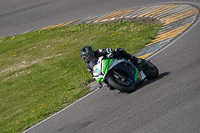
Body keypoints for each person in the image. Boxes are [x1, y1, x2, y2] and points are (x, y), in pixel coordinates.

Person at [80, 46, 145, 76]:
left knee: (118, 51)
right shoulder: (88, 66)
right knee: (109, 86)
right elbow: (93, 74)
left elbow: (107, 50)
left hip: (112, 62)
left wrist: (110, 52)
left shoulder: (98, 52)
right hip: (105, 71)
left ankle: (136, 59)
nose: (86, 58)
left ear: (91, 53)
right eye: (85, 57)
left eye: (87, 56)